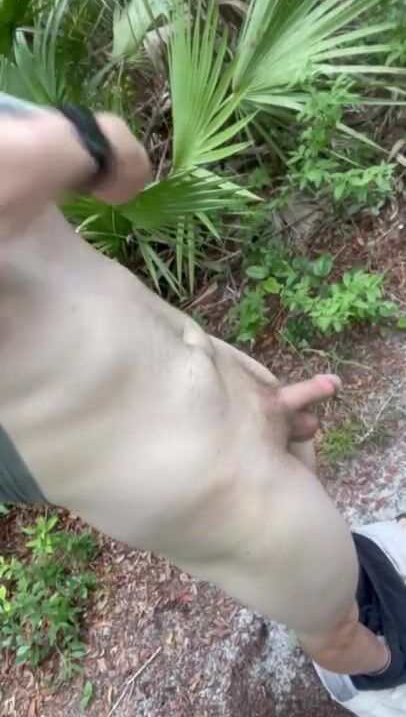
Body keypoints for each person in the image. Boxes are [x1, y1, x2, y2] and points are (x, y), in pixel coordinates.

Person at [0, 103, 390, 679]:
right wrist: (59, 146)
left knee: (337, 572)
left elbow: (127, 169)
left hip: (228, 411)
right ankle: (384, 674)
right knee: (336, 630)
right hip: (211, 493)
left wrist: (76, 143)